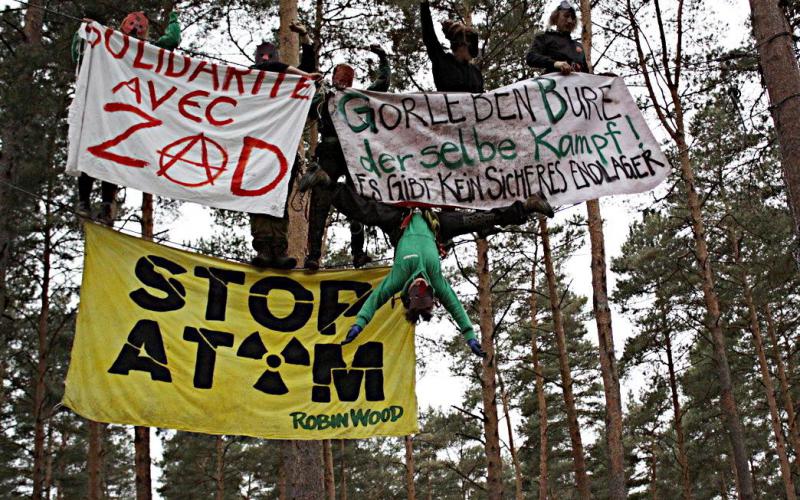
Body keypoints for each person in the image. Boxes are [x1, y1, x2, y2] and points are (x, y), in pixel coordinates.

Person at [331, 183, 554, 357]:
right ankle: (527, 207)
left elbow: (375, 300)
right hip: (436, 225)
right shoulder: (436, 280)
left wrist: (359, 324)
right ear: (432, 293)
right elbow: (455, 306)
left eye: (418, 291)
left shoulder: (398, 276)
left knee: (365, 211)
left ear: (408, 295)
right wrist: (470, 336)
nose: (422, 285)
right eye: (427, 292)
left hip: (400, 222)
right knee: (479, 219)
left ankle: (326, 183)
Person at [73, 10, 182, 226]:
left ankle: (106, 205)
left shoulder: (145, 51)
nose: (135, 28)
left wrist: (174, 19)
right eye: (132, 23)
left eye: (140, 26)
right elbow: (80, 54)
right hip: (100, 105)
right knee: (89, 147)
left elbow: (171, 41)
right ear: (123, 25)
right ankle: (83, 202)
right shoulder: (108, 43)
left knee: (113, 155)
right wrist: (83, 32)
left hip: (124, 113)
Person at [296, 34, 391, 271]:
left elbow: (382, 84)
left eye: (347, 78)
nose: (343, 81)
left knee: (355, 201)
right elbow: (304, 108)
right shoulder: (326, 98)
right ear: (334, 78)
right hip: (338, 152)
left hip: (350, 154)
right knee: (321, 202)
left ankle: (356, 252)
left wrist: (383, 58)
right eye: (341, 76)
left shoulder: (352, 98)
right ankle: (314, 256)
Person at [248, 22, 323, 269]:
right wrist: (302, 75)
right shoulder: (250, 79)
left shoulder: (288, 84)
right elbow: (270, 67)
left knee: (277, 199)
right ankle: (263, 248)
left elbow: (308, 70)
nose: (266, 65)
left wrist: (306, 40)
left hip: (283, 151)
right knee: (259, 198)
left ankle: (278, 250)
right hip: (257, 151)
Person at [420, 0, 483, 93]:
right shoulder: (442, 62)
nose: (475, 51)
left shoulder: (475, 72)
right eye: (472, 46)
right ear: (462, 45)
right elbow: (429, 37)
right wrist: (424, 4)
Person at [525, 1, 587, 75]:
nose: (570, 21)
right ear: (555, 18)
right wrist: (555, 63)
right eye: (566, 16)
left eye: (573, 18)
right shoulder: (545, 37)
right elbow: (531, 57)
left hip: (577, 85)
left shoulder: (579, 46)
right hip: (555, 85)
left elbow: (588, 75)